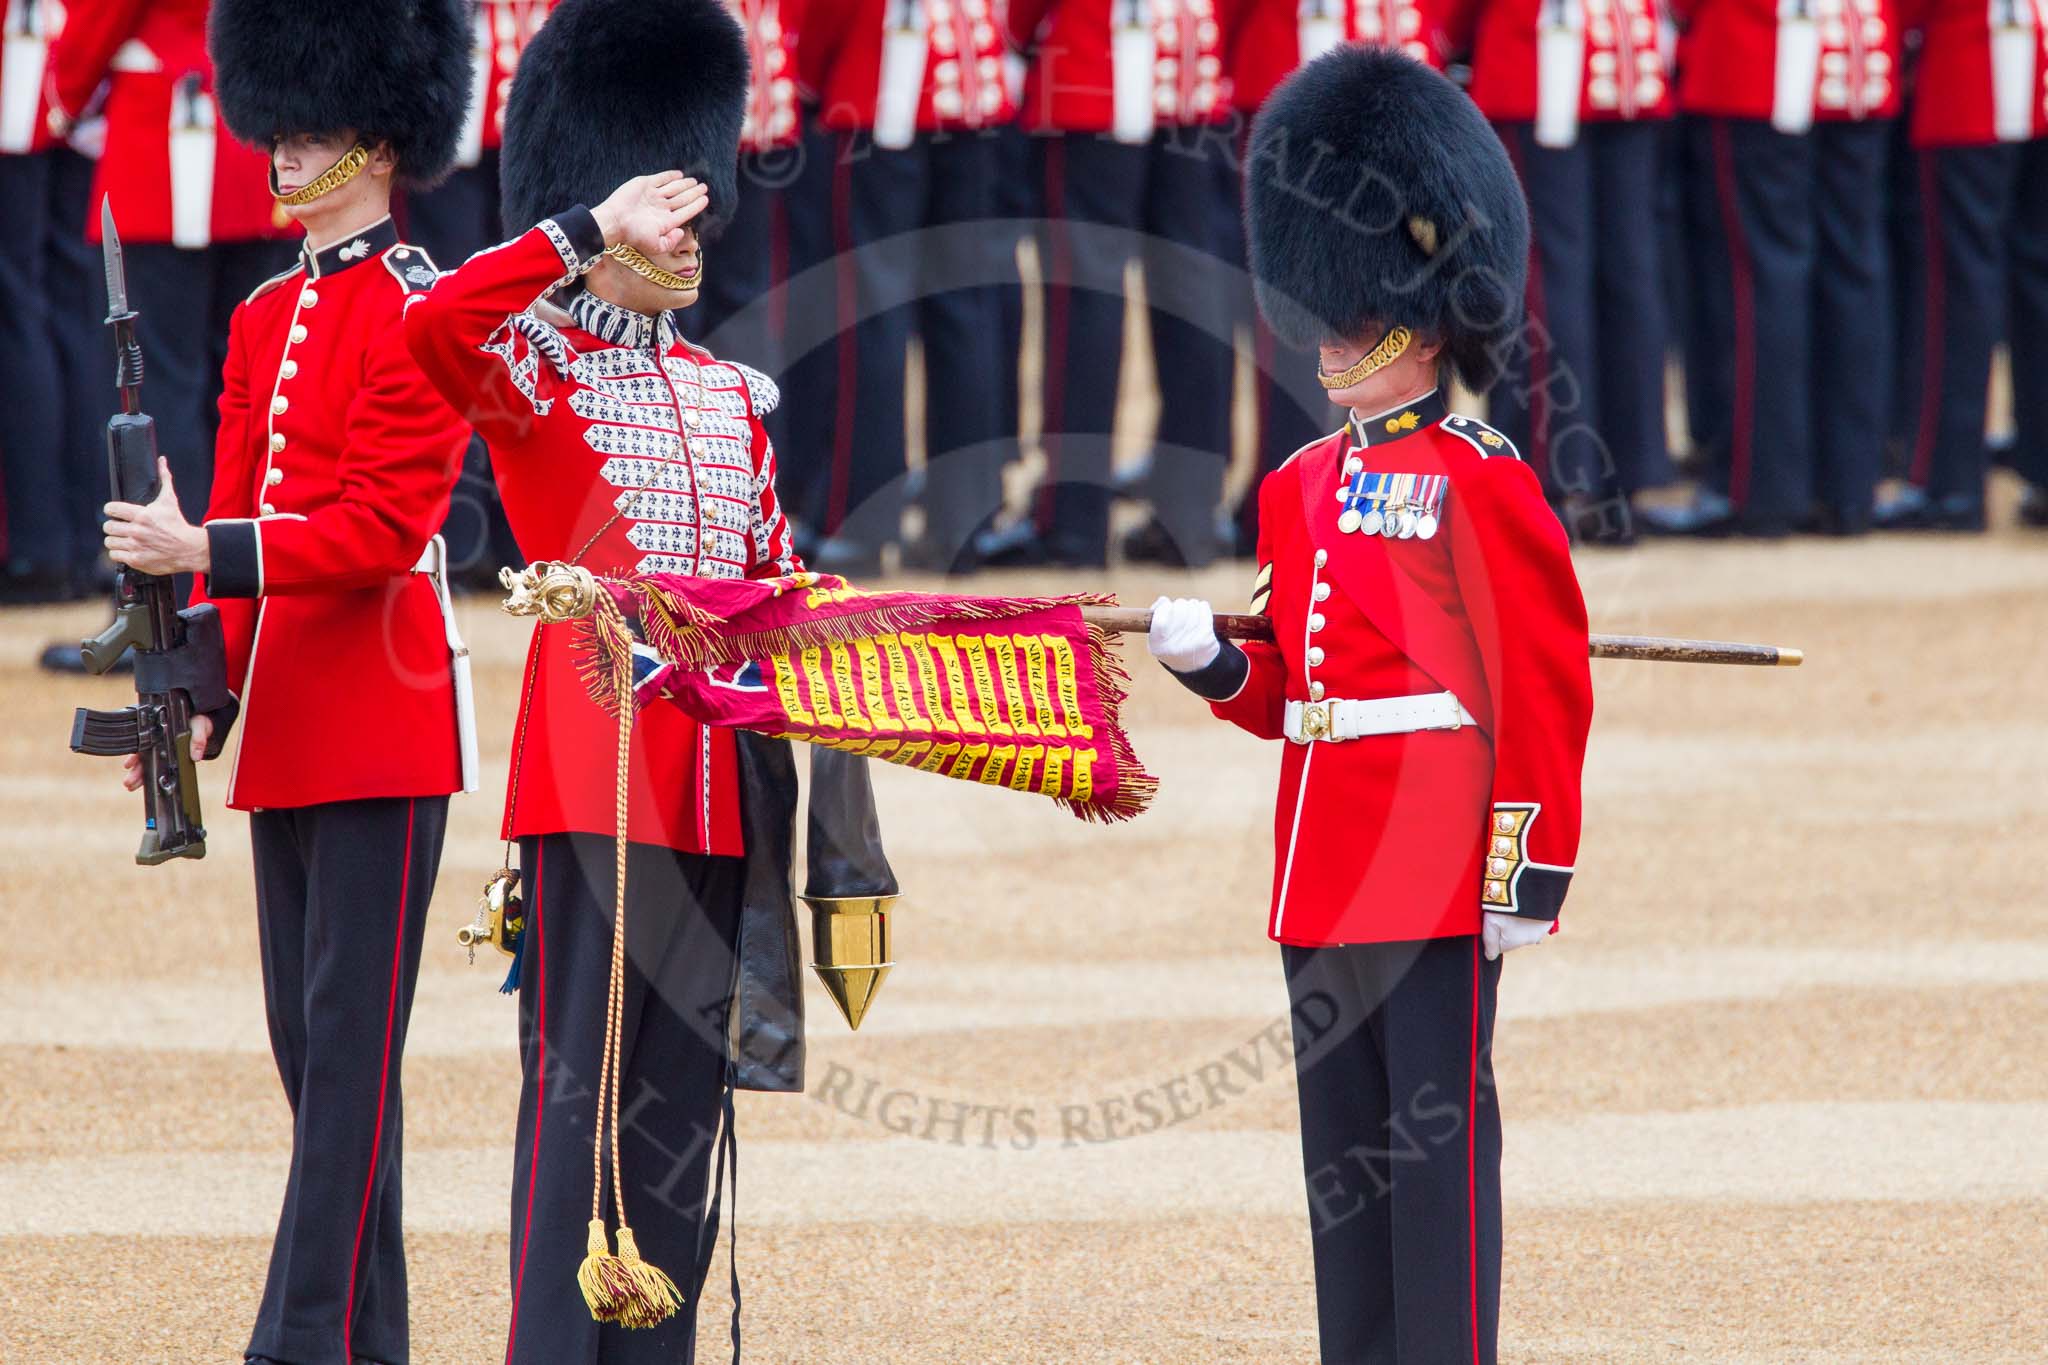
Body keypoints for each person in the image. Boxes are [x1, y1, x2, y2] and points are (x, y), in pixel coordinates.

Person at [405, 2, 895, 1357]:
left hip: (715, 788)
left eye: (693, 211)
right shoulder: (534, 375)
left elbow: (779, 584)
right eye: (663, 213)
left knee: (681, 1121)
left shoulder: (731, 395)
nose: (690, 237)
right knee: (580, 1110)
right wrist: (578, 228)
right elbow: (437, 329)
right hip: (591, 777)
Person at [1148, 48, 1593, 1363]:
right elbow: (1296, 682)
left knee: (1436, 1157)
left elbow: (1541, 685)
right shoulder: (1293, 485)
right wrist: (1211, 665)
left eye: (1357, 310)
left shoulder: (1484, 481)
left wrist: (1529, 868)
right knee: (1342, 1165)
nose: (1334, 335)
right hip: (1322, 858)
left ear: (1424, 312)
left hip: (1439, 856)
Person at [95, 1, 473, 1361]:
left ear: (375, 143)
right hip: (290, 722)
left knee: (349, 1055)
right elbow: (247, 516)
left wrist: (205, 544)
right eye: (281, 123)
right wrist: (193, 690)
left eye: (307, 131)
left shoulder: (426, 310)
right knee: (314, 1061)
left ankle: (299, 1340)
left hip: (385, 712)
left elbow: (382, 529)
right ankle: (369, 1341)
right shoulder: (268, 314)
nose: (281, 150)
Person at [985, 0, 1240, 570]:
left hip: (1095, 70)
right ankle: (1189, 519)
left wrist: (1023, 36)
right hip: (1187, 70)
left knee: (1086, 302)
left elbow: (1019, 19)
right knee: (1192, 290)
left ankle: (1072, 523)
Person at [45, 0, 297, 533]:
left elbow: (95, 30)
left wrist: (64, 101)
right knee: (254, 381)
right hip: (260, 156)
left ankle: (180, 575)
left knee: (163, 383)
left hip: (159, 144)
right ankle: (252, 549)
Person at [1653, 0, 1902, 535]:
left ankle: (1757, 489)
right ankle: (1846, 487)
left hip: (1758, 54)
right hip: (1857, 55)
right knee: (1852, 273)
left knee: (1757, 281)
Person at [1219, 0, 1449, 561]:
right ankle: (1412, 485)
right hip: (1408, 75)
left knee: (1300, 294)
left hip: (1297, 78)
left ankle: (1297, 496)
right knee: (1416, 277)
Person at [792, 0, 1014, 576]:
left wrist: (812, 78)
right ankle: (960, 526)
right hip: (969, 91)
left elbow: (821, 19)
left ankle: (861, 525)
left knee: (872, 314)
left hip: (881, 91)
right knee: (966, 316)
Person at [1444, 0, 1677, 544]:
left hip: (1540, 59)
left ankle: (1550, 477)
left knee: (1547, 279)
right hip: (1625, 66)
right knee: (1629, 276)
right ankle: (1622, 483)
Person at [1888, 0, 2048, 530]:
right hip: (2038, 74)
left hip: (1972, 75)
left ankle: (1950, 482)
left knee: (1958, 288)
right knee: (2037, 282)